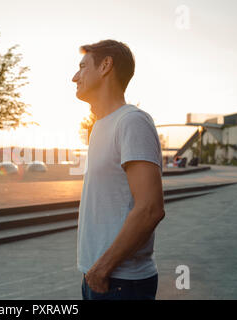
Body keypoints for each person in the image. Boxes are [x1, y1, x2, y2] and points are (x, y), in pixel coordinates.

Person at [72, 39, 165, 300]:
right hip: (98, 277)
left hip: (121, 282)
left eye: (82, 67)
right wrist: (94, 272)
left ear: (105, 66)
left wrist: (102, 269)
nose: (74, 77)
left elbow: (150, 209)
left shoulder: (132, 122)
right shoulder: (100, 126)